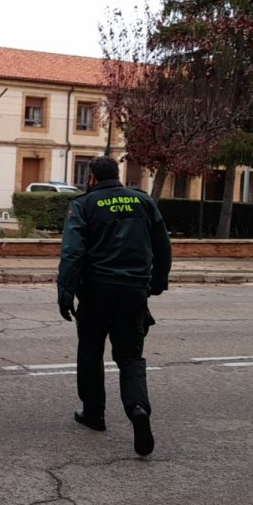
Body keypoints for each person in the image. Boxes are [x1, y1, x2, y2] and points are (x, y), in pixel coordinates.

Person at [56, 155, 171, 457]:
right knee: (130, 356)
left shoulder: (84, 205)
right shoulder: (143, 202)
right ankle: (137, 408)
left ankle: (94, 413)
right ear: (117, 174)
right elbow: (163, 246)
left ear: (91, 177)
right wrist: (158, 282)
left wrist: (65, 292)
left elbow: (72, 252)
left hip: (95, 291)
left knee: (91, 352)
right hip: (134, 291)